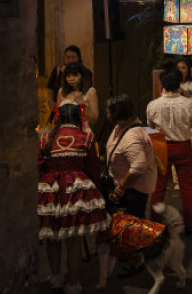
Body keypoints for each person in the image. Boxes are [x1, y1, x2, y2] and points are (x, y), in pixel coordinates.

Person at [38, 103, 109, 294]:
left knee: (52, 237)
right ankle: (73, 284)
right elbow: (93, 167)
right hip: (75, 191)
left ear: (58, 118)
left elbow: (40, 166)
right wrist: (96, 191)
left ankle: (55, 279)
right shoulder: (86, 137)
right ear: (79, 118)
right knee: (74, 239)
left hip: (50, 190)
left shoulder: (45, 138)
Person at [147, 67, 192, 234]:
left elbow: (151, 125)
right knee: (187, 186)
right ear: (179, 84)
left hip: (162, 147)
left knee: (159, 186)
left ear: (162, 83)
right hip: (183, 146)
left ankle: (155, 225)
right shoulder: (189, 103)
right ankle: (189, 224)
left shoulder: (153, 105)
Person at [105, 94, 157, 219]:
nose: (106, 115)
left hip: (132, 191)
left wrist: (120, 188)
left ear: (116, 114)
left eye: (108, 112)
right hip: (128, 189)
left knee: (133, 224)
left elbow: (138, 167)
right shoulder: (122, 126)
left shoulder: (132, 137)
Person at [175, 56, 192, 190]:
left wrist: (186, 94)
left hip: (191, 124)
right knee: (177, 152)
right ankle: (177, 181)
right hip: (175, 124)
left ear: (188, 69)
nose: (181, 71)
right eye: (178, 68)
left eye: (183, 68)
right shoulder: (171, 84)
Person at [46, 45, 93, 110]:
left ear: (79, 58)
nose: (70, 60)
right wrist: (51, 101)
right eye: (68, 57)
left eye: (73, 57)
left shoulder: (85, 72)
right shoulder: (58, 71)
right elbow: (50, 87)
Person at [57, 62, 99, 130]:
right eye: (68, 76)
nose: (71, 78)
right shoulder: (61, 92)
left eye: (75, 75)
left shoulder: (90, 92)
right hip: (63, 132)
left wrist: (82, 105)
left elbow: (94, 120)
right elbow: (57, 117)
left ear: (82, 75)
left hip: (82, 132)